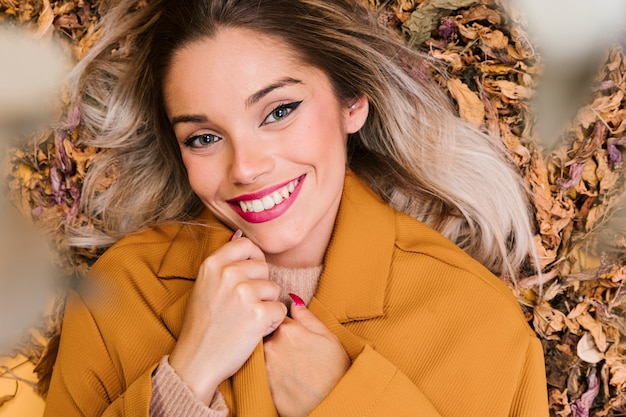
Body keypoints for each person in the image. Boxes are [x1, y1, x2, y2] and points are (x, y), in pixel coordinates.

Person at [44, 0, 549, 415]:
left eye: (279, 111)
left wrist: (351, 403)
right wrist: (185, 380)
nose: (245, 167)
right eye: (203, 137)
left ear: (352, 103)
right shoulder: (118, 294)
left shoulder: (479, 324)